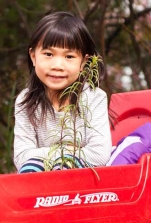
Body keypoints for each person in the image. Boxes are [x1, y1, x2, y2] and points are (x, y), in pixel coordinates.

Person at [13, 11, 112, 173]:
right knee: (31, 167)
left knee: (65, 166)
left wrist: (58, 158)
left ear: (83, 63)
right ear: (33, 56)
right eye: (48, 54)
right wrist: (66, 151)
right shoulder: (26, 100)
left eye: (69, 57)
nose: (57, 65)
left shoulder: (94, 97)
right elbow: (22, 157)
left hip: (83, 186)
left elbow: (100, 154)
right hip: (39, 183)